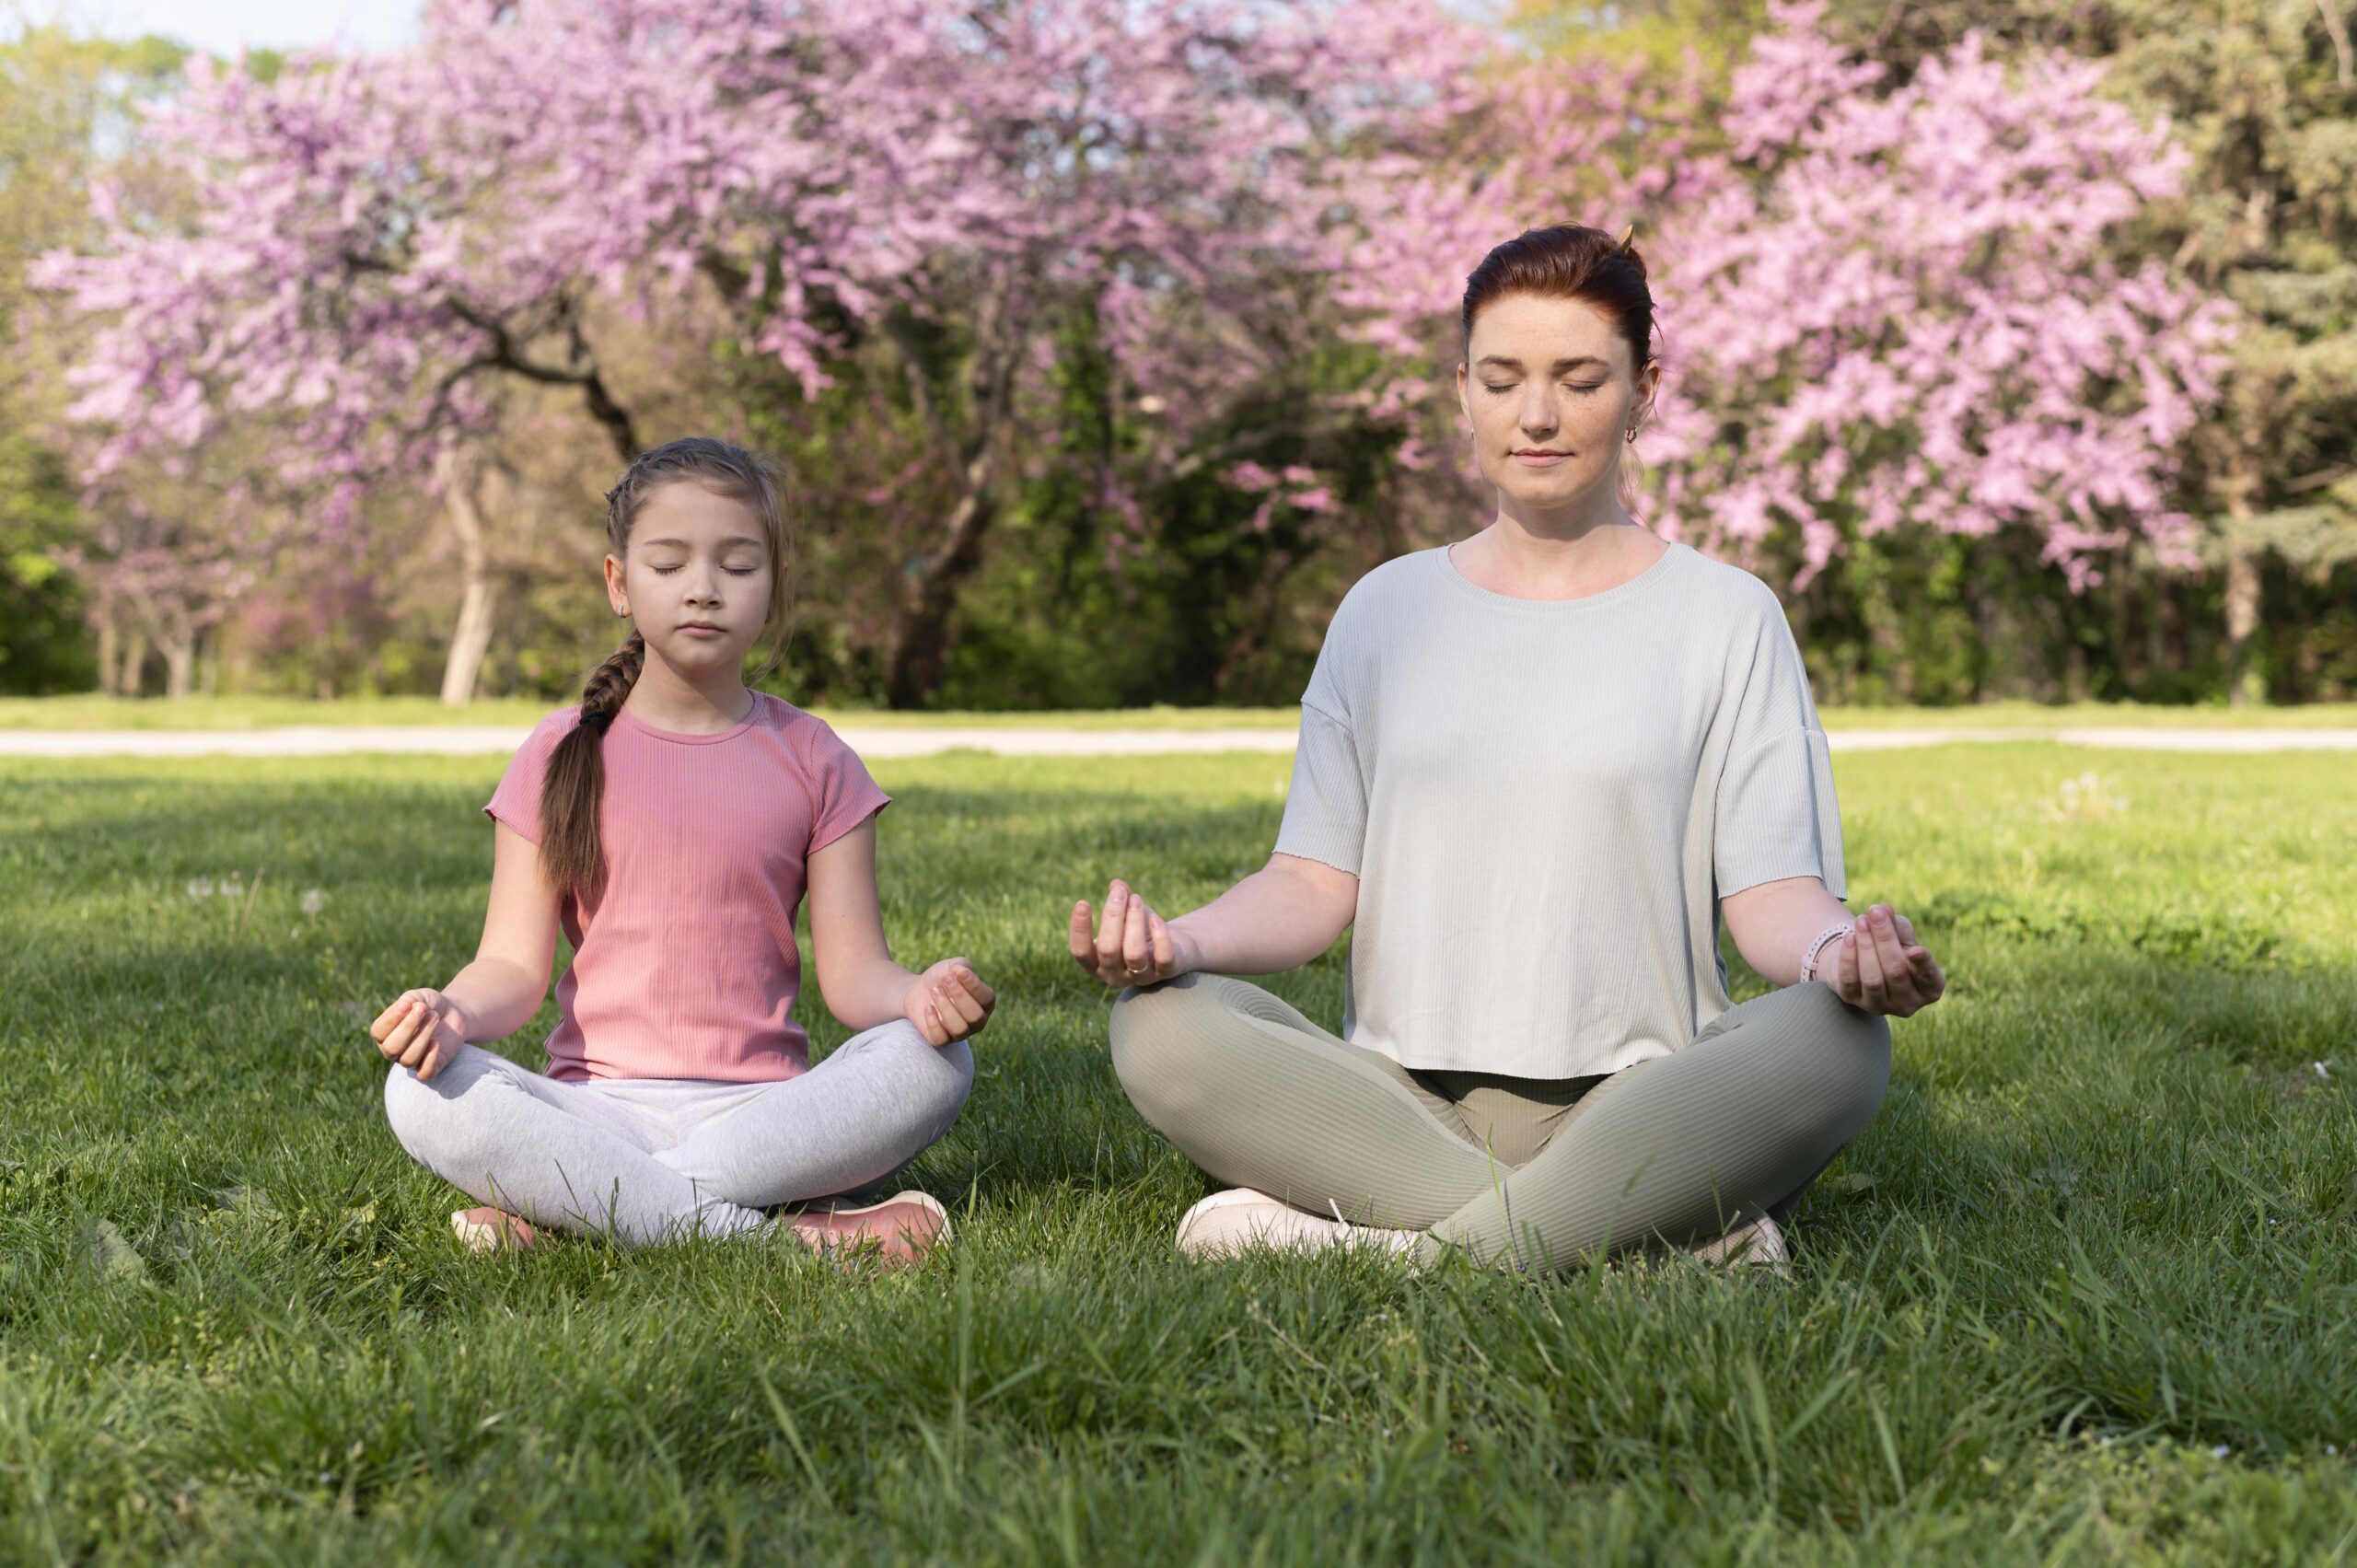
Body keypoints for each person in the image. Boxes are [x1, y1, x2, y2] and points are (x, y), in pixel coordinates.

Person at [1069, 225, 1945, 1272]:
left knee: (1838, 1040)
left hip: (1647, 1100)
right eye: (1503, 379)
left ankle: (1403, 1253)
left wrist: (1834, 956)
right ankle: (1633, 1244)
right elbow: (1308, 879)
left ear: (1643, 390)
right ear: (1462, 391)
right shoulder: (1383, 609)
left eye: (1580, 380)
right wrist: (1181, 945)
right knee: (1157, 1026)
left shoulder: (1728, 615)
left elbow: (1770, 896)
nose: (1537, 415)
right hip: (1400, 1108)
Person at [371, 436, 993, 1262]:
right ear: (620, 585)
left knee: (938, 1064)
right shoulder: (559, 755)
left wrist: (920, 996)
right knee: (416, 1095)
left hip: (764, 1121)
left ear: (773, 588)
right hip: (591, 1111)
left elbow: (854, 978)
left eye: (738, 566)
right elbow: (511, 971)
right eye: (669, 565)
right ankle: (787, 1244)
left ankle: (576, 1213)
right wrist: (451, 1010)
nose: (704, 589)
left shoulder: (816, 758)